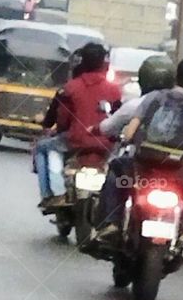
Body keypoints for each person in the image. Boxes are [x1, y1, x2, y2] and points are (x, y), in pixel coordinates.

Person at [93, 56, 183, 240]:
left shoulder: (153, 98)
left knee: (116, 170)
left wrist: (128, 140)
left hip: (143, 168)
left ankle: (111, 222)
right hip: (176, 175)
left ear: (175, 76)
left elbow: (129, 134)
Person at [36, 43, 121, 208]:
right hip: (107, 143)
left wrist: (56, 129)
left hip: (76, 140)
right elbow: (119, 118)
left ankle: (53, 194)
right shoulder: (114, 90)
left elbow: (61, 120)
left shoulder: (71, 87)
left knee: (42, 147)